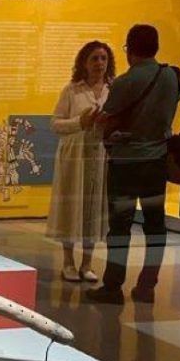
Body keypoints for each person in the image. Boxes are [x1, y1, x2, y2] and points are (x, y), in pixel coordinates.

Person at [86, 24, 180, 305]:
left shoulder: (125, 82)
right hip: (157, 161)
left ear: (130, 49)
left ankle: (113, 285)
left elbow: (108, 119)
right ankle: (147, 286)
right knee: (155, 225)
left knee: (120, 227)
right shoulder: (171, 76)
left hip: (126, 162)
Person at [46, 41, 115, 282]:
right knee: (71, 208)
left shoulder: (112, 90)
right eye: (94, 58)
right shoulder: (72, 90)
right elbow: (55, 124)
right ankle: (68, 262)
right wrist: (80, 122)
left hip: (100, 155)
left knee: (93, 209)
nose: (99, 63)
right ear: (84, 63)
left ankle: (87, 263)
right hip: (74, 156)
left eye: (103, 58)